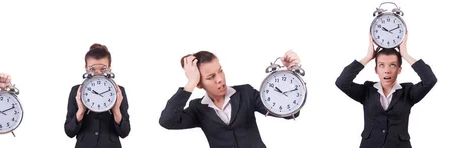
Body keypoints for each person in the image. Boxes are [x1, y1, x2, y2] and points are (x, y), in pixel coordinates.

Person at [159, 50, 301, 148]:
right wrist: (190, 83)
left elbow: (289, 114)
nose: (220, 79)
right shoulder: (197, 109)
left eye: (220, 71)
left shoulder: (246, 93)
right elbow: (167, 121)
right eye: (210, 77)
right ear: (199, 84)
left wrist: (291, 74)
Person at [335, 33, 437, 148]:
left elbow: (430, 80)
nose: (387, 70)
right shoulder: (367, 91)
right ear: (376, 70)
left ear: (399, 70)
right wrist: (368, 56)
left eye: (392, 65)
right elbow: (342, 82)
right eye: (381, 65)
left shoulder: (408, 93)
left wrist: (405, 54)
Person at [64, 43, 131, 148]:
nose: (98, 73)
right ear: (86, 67)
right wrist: (81, 110)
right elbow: (69, 132)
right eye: (92, 69)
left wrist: (116, 110)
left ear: (109, 67)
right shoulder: (76, 91)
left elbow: (124, 132)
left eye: (103, 69)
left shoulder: (119, 91)